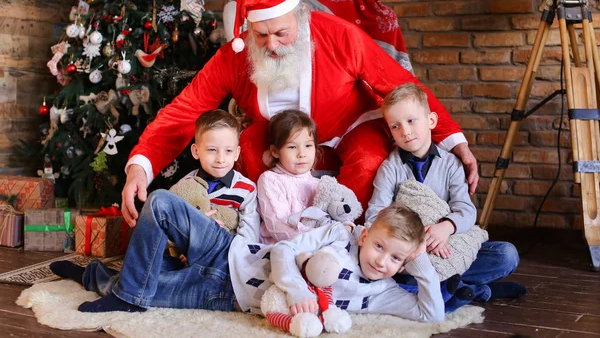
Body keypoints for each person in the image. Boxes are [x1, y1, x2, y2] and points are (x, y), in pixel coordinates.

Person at [121, 0, 479, 228]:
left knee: (369, 159)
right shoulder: (236, 54)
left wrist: (453, 140)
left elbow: (403, 86)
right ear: (247, 31)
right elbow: (188, 109)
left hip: (347, 125)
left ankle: (348, 237)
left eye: (282, 33)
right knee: (248, 143)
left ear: (300, 19)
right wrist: (142, 164)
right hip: (284, 136)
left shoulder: (339, 35)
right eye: (261, 35)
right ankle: (272, 233)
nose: (273, 44)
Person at [49, 191, 447, 322]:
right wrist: (293, 288)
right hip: (231, 250)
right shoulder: (338, 237)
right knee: (160, 203)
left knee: (144, 290)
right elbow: (287, 250)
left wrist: (420, 262)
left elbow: (433, 315)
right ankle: (133, 291)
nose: (382, 262)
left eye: (396, 259)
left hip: (226, 294)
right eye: (379, 246)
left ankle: (97, 277)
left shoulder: (383, 293)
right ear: (366, 234)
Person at [366, 83, 527, 305]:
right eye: (395, 126)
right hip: (410, 251)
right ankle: (474, 290)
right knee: (398, 272)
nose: (405, 131)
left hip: (448, 245)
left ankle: (445, 287)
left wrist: (445, 228)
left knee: (506, 255)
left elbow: (466, 210)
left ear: (431, 120)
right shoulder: (390, 167)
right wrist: (405, 246)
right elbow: (376, 213)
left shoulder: (451, 164)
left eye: (411, 120)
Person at [169, 109, 260, 243]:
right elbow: (174, 223)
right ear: (196, 151)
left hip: (228, 254)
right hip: (191, 247)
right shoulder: (185, 185)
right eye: (212, 150)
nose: (220, 159)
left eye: (228, 151)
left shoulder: (246, 190)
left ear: (236, 153)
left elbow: (250, 235)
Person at [257, 109, 320, 244]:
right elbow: (277, 224)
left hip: (318, 245)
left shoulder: (319, 184)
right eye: (292, 147)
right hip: (280, 246)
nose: (302, 154)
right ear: (275, 151)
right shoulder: (270, 179)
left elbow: (336, 209)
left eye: (308, 145)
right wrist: (318, 238)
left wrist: (345, 227)